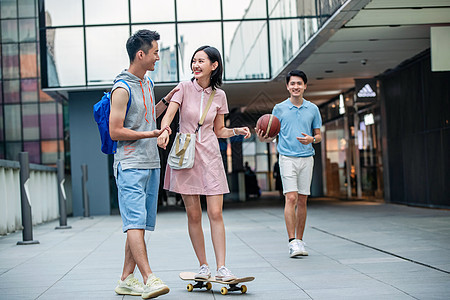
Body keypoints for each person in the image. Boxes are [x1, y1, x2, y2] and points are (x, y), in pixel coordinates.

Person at [157, 45, 251, 281]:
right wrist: (165, 129)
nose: (196, 65)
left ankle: (222, 267)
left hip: (210, 156)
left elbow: (219, 130)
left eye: (201, 61)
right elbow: (170, 112)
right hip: (186, 156)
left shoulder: (220, 96)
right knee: (194, 214)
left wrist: (236, 131)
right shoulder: (183, 88)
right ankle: (203, 266)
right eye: (194, 61)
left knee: (216, 213)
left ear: (214, 65)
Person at [109, 29, 178, 299]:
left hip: (151, 163)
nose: (158, 57)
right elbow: (116, 131)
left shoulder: (147, 84)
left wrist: (166, 101)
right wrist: (150, 134)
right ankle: (149, 277)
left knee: (140, 224)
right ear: (141, 54)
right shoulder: (121, 88)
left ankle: (126, 278)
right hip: (129, 165)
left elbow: (148, 117)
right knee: (135, 222)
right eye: (155, 52)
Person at [257, 70, 322, 258]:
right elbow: (272, 134)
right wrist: (264, 139)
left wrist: (312, 139)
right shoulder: (279, 108)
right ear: (287, 86)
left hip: (307, 157)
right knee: (291, 198)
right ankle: (292, 241)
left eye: (299, 83)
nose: (296, 87)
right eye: (292, 83)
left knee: (302, 200)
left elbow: (318, 136)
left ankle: (300, 240)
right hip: (286, 158)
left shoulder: (313, 109)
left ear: (305, 86)